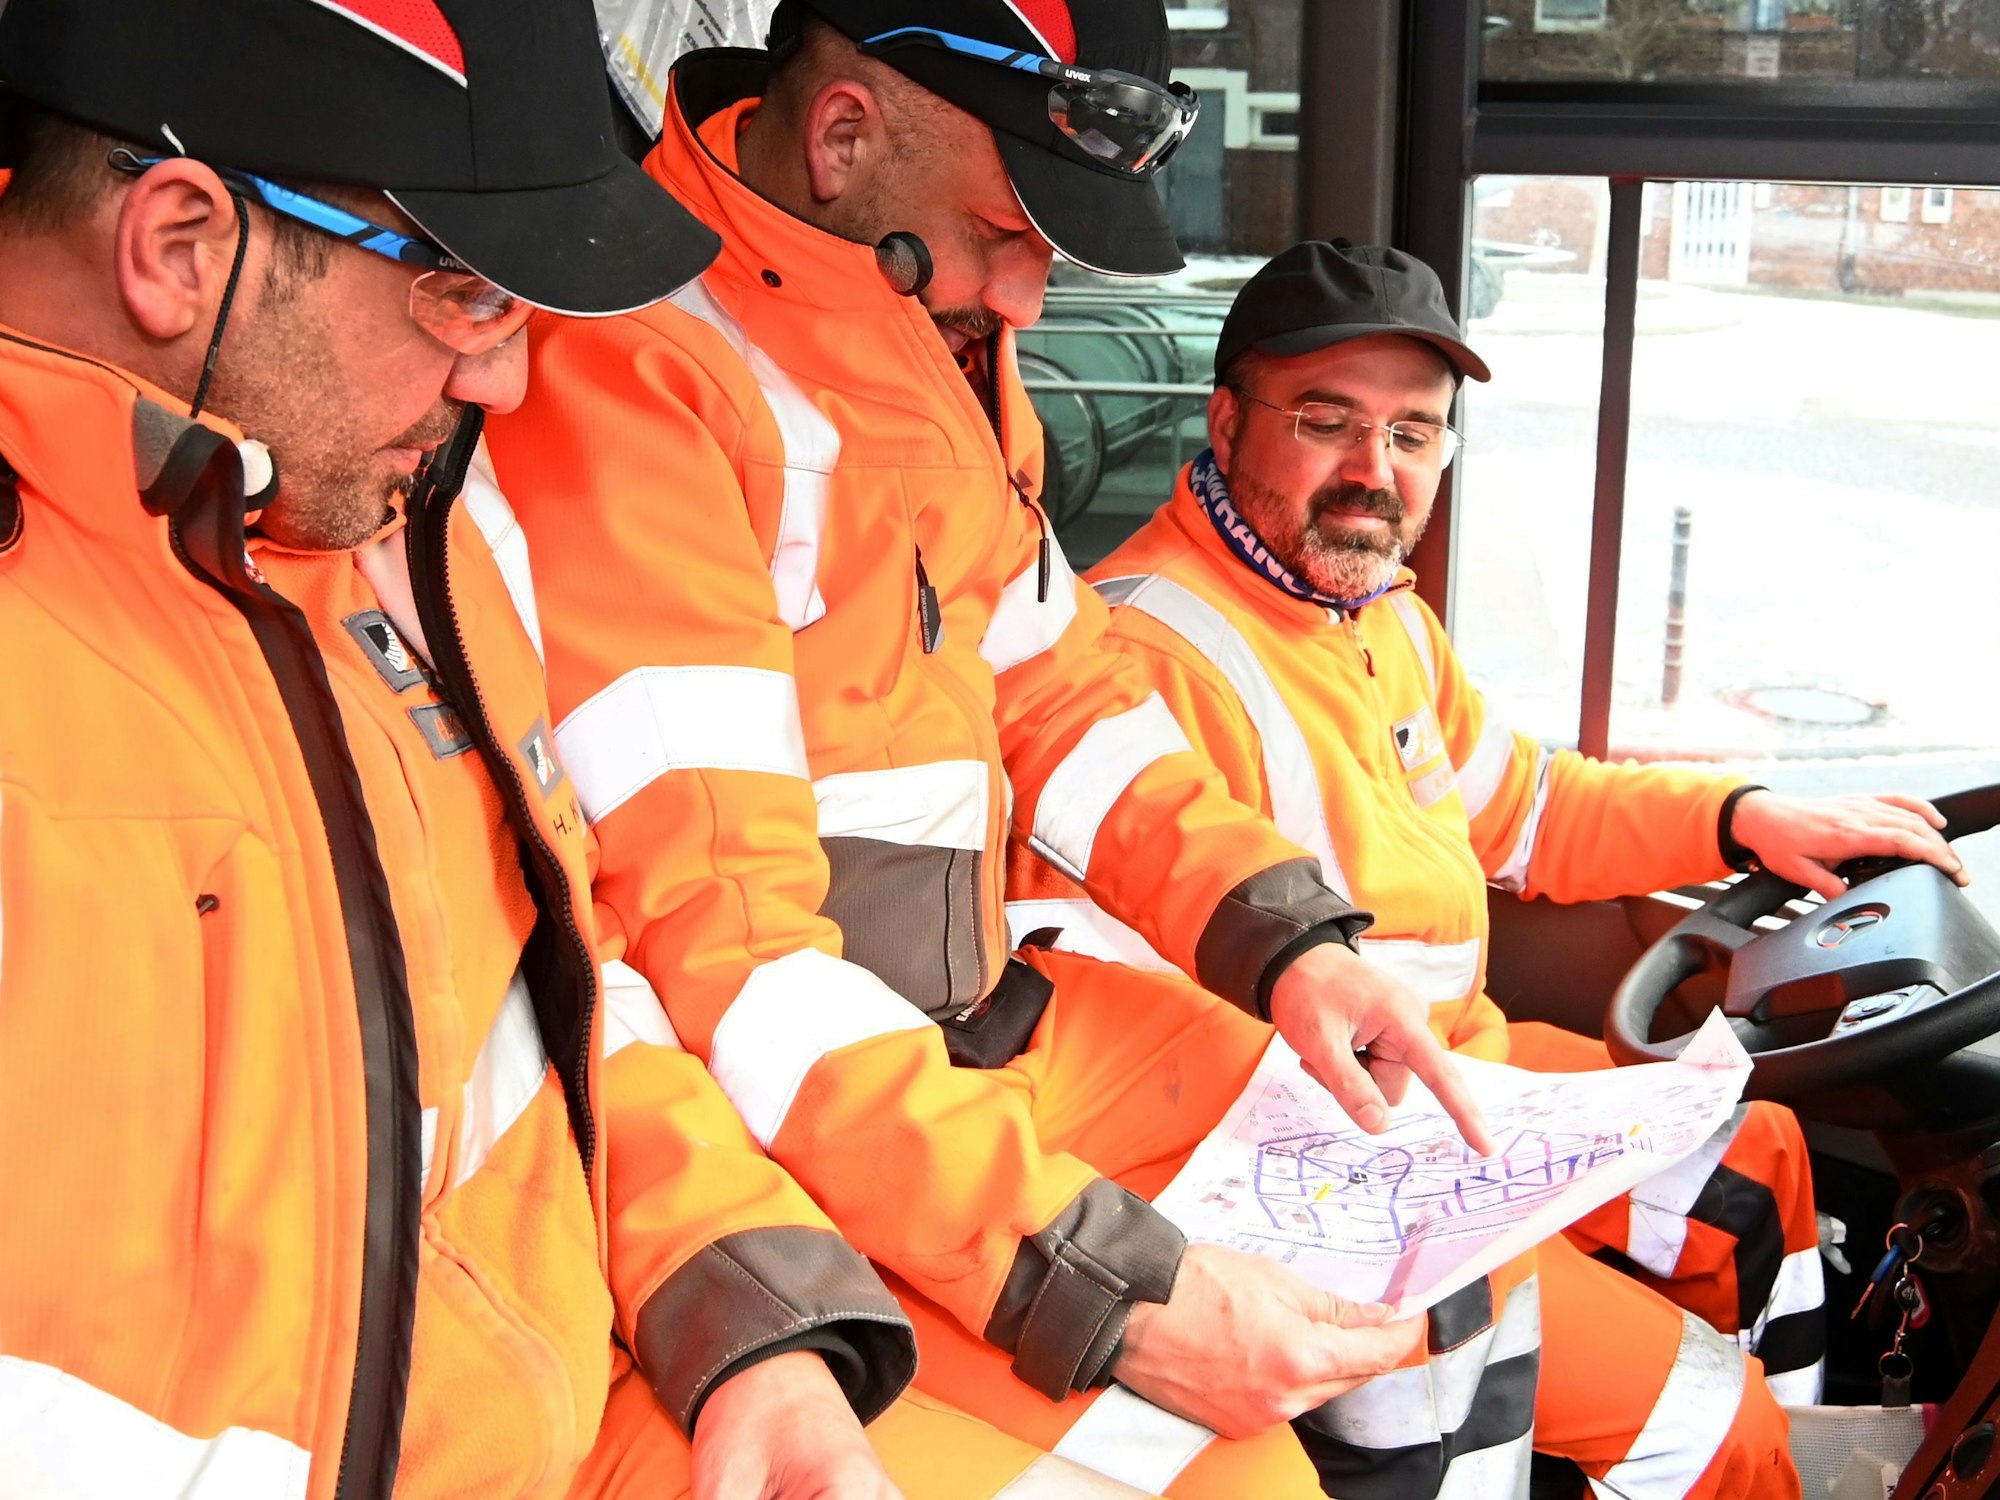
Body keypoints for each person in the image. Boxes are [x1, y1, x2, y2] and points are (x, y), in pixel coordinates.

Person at [0, 3, 1121, 1496]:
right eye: (467, 295)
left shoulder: (386, 547)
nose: (509, 388)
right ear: (180, 246)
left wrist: (750, 1330)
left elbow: (560, 990)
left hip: (590, 1392)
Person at [487, 3, 1557, 1496]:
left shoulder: (940, 336)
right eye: (1007, 233)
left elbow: (1061, 693)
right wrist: (1092, 1280)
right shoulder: (637, 377)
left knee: (1413, 1184)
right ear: (842, 137)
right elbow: (722, 942)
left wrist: (1289, 943)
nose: (1032, 295)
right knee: (1242, 1477)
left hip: (985, 1019)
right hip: (792, 1093)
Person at [1009, 239, 1973, 1499]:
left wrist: (1744, 817)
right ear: (1226, 422)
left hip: (1468, 1081)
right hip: (1332, 1164)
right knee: (1707, 1422)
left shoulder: (1377, 619)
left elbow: (1528, 810)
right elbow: (1120, 1034)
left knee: (1762, 1156)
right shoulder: (1142, 656)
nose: (1374, 471)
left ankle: (1796, 1445)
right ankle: (1740, 1454)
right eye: (1325, 422)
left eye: (1412, 434)